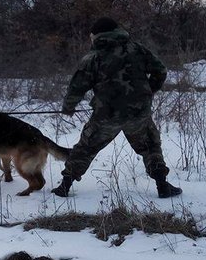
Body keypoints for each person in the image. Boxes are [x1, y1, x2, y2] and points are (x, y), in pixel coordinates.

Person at [51, 17, 182, 198]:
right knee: (150, 146)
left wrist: (68, 107)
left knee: (86, 148)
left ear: (97, 35)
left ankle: (64, 187)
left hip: (106, 116)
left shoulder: (93, 57)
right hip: (138, 113)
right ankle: (162, 186)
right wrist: (147, 92)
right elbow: (161, 70)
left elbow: (77, 86)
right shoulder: (137, 49)